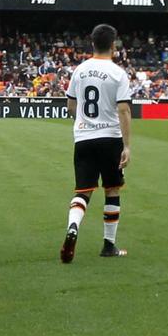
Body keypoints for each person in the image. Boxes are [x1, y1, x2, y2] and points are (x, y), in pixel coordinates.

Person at [62, 23, 133, 263]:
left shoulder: (79, 70)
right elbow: (123, 110)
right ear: (113, 46)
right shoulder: (118, 73)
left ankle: (73, 226)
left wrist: (83, 122)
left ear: (92, 43)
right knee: (112, 189)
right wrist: (127, 146)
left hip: (83, 138)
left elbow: (71, 106)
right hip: (110, 138)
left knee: (82, 191)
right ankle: (108, 245)